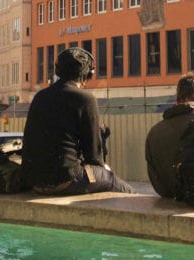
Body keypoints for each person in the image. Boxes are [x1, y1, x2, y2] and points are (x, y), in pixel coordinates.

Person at [21, 47, 135, 195]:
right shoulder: (85, 99)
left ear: (58, 70)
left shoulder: (39, 97)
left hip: (34, 181)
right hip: (65, 180)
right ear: (86, 73)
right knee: (118, 184)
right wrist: (103, 168)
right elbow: (93, 156)